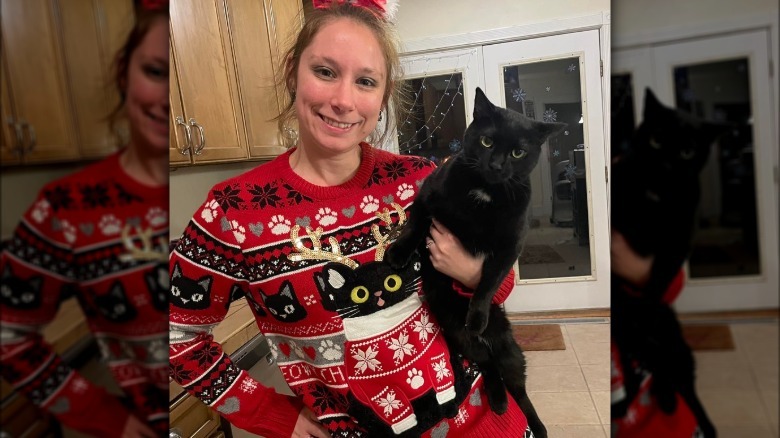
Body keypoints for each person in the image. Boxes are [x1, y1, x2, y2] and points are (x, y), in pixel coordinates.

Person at [168, 2, 531, 437]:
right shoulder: (234, 212)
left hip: (489, 422)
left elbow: (498, 278)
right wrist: (275, 415)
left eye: (365, 81)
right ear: (292, 72)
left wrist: (475, 276)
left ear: (383, 94)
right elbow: (173, 336)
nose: (343, 101)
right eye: (325, 72)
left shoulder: (420, 180)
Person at [0, 2, 170, 436]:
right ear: (123, 74)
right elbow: (7, 333)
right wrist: (106, 416)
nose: (169, 97)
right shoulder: (67, 208)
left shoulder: (226, 204)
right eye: (155, 72)